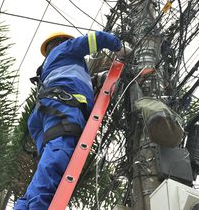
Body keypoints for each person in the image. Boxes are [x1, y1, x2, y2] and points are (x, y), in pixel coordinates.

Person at [14, 31, 123, 210]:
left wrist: (97, 80)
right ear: (62, 42)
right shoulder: (66, 49)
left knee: (48, 163)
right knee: (57, 154)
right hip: (62, 107)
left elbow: (75, 79)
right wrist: (118, 47)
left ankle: (24, 206)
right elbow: (95, 39)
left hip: (45, 113)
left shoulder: (53, 65)